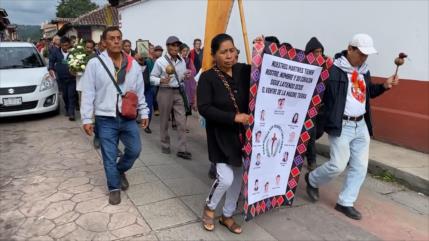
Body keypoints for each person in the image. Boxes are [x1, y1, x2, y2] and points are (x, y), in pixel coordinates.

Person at [305, 33, 399, 220]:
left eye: (367, 54)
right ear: (350, 49)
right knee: (338, 165)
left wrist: (384, 86)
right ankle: (312, 179)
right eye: (361, 53)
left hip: (361, 124)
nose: (364, 58)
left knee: (360, 166)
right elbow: (316, 92)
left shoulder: (364, 71)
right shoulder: (332, 69)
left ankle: (345, 202)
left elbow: (368, 92)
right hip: (341, 124)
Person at [80, 27, 149, 205]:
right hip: (105, 118)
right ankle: (114, 187)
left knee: (135, 150)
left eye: (119, 38)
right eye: (112, 38)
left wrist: (144, 111)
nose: (116, 41)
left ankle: (120, 170)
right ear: (104, 42)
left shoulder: (133, 64)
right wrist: (87, 118)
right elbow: (88, 92)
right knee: (109, 156)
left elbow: (139, 91)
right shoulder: (95, 64)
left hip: (127, 116)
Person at [198, 33, 254, 234]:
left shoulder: (244, 71)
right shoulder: (207, 77)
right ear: (214, 55)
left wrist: (261, 49)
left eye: (232, 50)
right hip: (219, 135)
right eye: (223, 52)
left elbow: (265, 71)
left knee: (238, 176)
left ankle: (227, 215)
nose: (229, 55)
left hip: (242, 135)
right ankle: (210, 207)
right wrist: (233, 117)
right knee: (226, 178)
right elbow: (204, 107)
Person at [150, 36, 192, 159]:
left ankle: (182, 149)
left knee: (182, 121)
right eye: (172, 45)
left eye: (177, 45)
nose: (175, 48)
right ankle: (165, 144)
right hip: (165, 92)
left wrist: (186, 75)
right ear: (167, 47)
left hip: (178, 92)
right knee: (164, 121)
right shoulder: (160, 61)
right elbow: (152, 78)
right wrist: (161, 80)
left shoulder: (182, 61)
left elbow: (182, 76)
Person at [304, 37, 325, 171]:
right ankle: (312, 162)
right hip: (304, 108)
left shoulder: (325, 67)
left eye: (320, 52)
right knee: (310, 135)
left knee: (316, 133)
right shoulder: (304, 67)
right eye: (316, 52)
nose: (318, 55)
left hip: (319, 108)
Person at [49, 36, 77, 120]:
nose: (65, 47)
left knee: (71, 95)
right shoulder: (55, 52)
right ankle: (67, 108)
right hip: (61, 78)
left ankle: (72, 113)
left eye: (67, 45)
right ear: (60, 45)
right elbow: (51, 61)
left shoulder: (74, 52)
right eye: (63, 45)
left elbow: (79, 61)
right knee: (65, 95)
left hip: (72, 77)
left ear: (69, 45)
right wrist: (50, 68)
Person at [180, 43, 197, 132]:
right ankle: (178, 124)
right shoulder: (177, 60)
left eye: (186, 51)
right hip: (179, 87)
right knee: (179, 107)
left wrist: (189, 71)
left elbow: (193, 71)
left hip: (188, 87)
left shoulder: (189, 60)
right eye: (183, 51)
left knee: (186, 108)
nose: (185, 53)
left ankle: (184, 126)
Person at [152, 45, 164, 116]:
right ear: (154, 52)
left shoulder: (164, 60)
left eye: (160, 51)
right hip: (155, 80)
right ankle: (156, 109)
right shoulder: (152, 60)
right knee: (154, 94)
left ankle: (165, 111)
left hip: (163, 80)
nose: (159, 52)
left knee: (163, 96)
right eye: (157, 51)